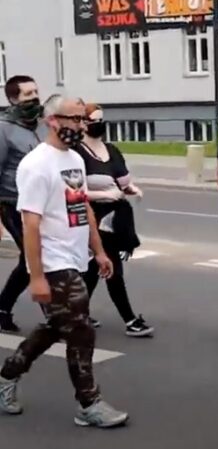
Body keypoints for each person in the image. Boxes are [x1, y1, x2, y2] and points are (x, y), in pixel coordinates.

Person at [0, 95, 128, 427]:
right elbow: (29, 222)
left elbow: (80, 205)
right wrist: (37, 276)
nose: (80, 125)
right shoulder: (36, 165)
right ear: (51, 121)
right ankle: (89, 403)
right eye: (73, 119)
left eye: (82, 119)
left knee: (58, 325)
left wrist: (98, 250)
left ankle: (6, 375)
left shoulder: (73, 159)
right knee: (81, 329)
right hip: (53, 262)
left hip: (75, 257)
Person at [76, 103, 152, 337]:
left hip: (116, 217)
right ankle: (130, 320)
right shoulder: (78, 153)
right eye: (93, 120)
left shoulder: (111, 149)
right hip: (95, 215)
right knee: (111, 267)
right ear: (83, 123)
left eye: (101, 119)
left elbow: (121, 182)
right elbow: (75, 191)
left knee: (93, 269)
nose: (99, 124)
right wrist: (104, 194)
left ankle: (78, 314)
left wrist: (131, 189)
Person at [0, 75, 45, 334]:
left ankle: (2, 308)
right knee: (35, 257)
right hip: (12, 203)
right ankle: (54, 315)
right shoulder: (4, 128)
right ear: (14, 99)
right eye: (28, 94)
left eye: (36, 92)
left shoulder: (40, 126)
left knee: (29, 259)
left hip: (40, 205)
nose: (35, 98)